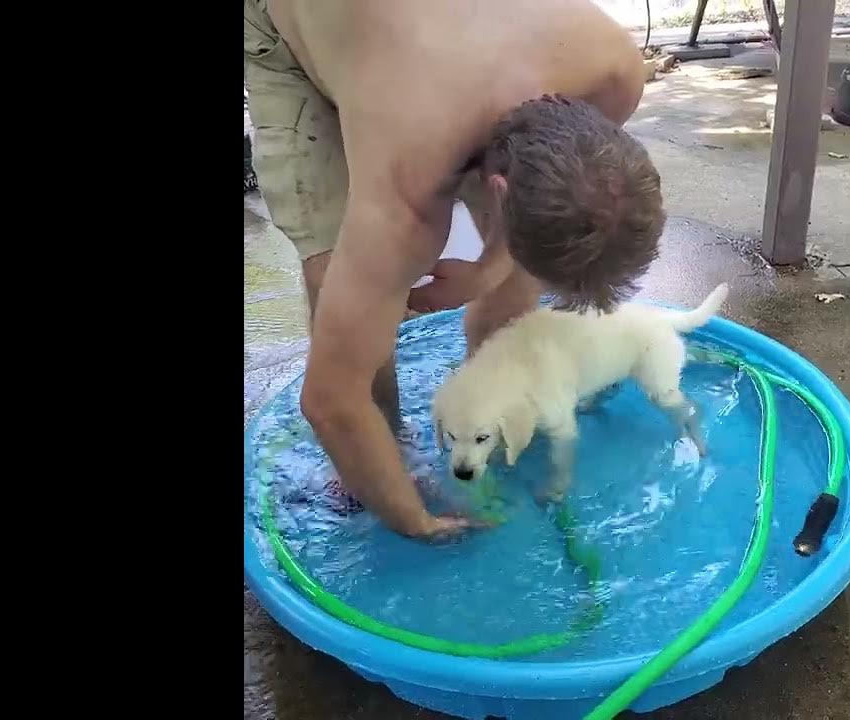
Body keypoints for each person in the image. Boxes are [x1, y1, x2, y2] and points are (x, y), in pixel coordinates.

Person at [244, 0, 667, 540]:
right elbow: (328, 400)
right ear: (497, 189)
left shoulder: (613, 72)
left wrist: (488, 272)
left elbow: (553, 218)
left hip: (419, 50)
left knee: (549, 238)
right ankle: (385, 441)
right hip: (295, 22)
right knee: (339, 281)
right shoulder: (405, 195)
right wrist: (416, 523)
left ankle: (496, 390)